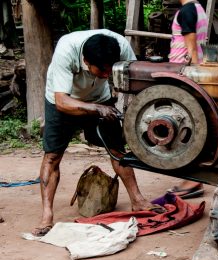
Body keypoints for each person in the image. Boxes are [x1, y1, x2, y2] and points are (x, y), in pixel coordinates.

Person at [33, 29, 159, 236]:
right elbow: (61, 102)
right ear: (85, 61)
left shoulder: (119, 45)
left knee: (117, 150)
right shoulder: (66, 50)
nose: (107, 75)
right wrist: (96, 109)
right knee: (52, 156)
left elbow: (136, 80)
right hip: (63, 100)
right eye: (102, 72)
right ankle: (47, 216)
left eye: (110, 71)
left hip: (100, 98)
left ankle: (138, 200)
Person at [166, 0, 207, 198]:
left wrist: (193, 69)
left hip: (183, 73)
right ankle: (193, 179)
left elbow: (191, 45)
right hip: (188, 73)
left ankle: (193, 181)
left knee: (186, 126)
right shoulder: (199, 8)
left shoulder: (188, 10)